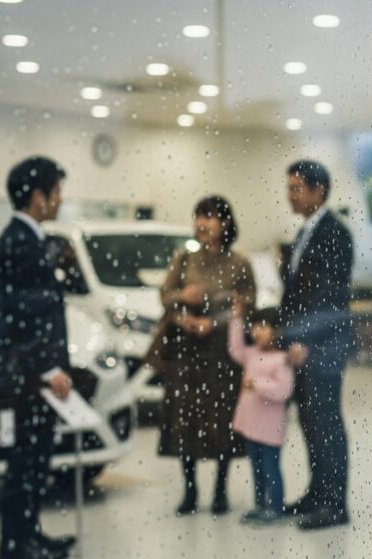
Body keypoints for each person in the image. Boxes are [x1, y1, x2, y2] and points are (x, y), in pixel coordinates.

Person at [0, 156, 78, 559]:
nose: (60, 201)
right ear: (38, 196)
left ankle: (29, 533)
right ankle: (17, 543)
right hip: (28, 377)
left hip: (30, 375)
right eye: (56, 192)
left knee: (34, 462)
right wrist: (48, 369)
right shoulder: (20, 243)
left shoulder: (27, 239)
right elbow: (25, 316)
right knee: (24, 465)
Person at [152, 195, 256, 516]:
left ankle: (220, 490)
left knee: (221, 420)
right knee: (186, 420)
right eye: (198, 216)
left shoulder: (239, 263)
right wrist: (184, 305)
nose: (201, 223)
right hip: (187, 354)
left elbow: (247, 305)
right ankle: (190, 489)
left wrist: (214, 321)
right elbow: (166, 297)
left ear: (225, 223)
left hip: (222, 354)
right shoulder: (183, 259)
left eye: (209, 217)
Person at [278, 160, 354, 530]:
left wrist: (306, 341)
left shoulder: (334, 234)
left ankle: (335, 504)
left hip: (323, 348)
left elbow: (330, 298)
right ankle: (317, 493)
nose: (290, 195)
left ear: (317, 191)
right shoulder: (305, 233)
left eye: (296, 188)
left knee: (327, 424)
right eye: (289, 187)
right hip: (305, 347)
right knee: (310, 422)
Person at [228, 301, 295, 525]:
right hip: (250, 426)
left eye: (263, 326)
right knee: (256, 469)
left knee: (270, 469)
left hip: (269, 429)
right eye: (255, 326)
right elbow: (235, 349)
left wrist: (257, 383)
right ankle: (260, 505)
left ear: (277, 331)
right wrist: (237, 319)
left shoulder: (282, 360)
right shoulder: (251, 354)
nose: (256, 331)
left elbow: (283, 391)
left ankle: (275, 507)